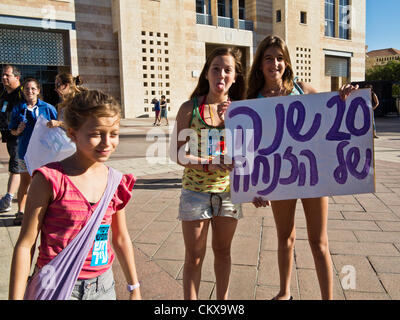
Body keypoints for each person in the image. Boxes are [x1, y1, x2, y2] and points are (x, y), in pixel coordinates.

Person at [219, 35, 358, 300]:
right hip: (281, 177)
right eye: (269, 58)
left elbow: (335, 113)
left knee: (319, 243)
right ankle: (284, 293)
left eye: (280, 58)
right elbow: (247, 150)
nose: (275, 64)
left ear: (287, 62)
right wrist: (254, 188)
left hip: (312, 175)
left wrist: (347, 97)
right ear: (260, 64)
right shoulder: (251, 101)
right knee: (285, 237)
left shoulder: (303, 90)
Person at [9, 89, 141, 300]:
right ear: (72, 133)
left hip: (103, 287)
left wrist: (134, 287)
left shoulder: (115, 182)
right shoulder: (49, 179)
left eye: (114, 134)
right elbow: (26, 244)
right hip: (55, 283)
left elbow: (121, 238)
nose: (107, 142)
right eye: (96, 134)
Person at [172, 47, 245, 300]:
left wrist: (234, 121)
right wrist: (208, 163)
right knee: (194, 256)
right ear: (206, 74)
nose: (221, 75)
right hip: (195, 192)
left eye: (228, 70)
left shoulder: (243, 112)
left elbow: (251, 154)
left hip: (228, 193)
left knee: (223, 252)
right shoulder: (188, 108)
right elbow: (178, 154)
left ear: (235, 77)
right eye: (216, 69)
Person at [9, 78, 58, 225]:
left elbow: (60, 126)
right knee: (25, 181)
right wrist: (17, 130)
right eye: (26, 89)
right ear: (23, 91)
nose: (29, 91)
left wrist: (55, 124)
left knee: (47, 182)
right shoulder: (18, 108)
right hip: (25, 152)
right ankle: (21, 212)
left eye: (32, 89)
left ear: (38, 90)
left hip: (45, 152)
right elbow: (12, 131)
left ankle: (48, 209)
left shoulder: (48, 108)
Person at [0, 65, 24, 213]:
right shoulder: (4, 94)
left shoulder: (22, 94)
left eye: (7, 75)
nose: (3, 78)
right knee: (17, 167)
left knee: (16, 167)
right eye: (3, 75)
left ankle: (8, 198)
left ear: (17, 77)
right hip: (9, 136)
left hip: (19, 138)